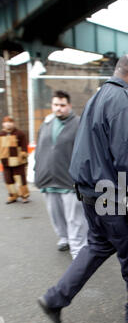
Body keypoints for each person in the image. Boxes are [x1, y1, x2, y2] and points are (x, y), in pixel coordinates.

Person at [37, 54, 128, 323]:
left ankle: (55, 298)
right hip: (119, 197)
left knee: (96, 247)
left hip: (92, 194)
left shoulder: (96, 99)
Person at [34, 90, 88, 259]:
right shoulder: (47, 123)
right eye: (56, 105)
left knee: (75, 218)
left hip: (69, 180)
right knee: (56, 215)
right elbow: (39, 149)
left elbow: (85, 151)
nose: (59, 108)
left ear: (69, 106)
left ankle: (79, 248)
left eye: (62, 105)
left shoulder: (79, 124)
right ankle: (64, 238)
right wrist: (38, 170)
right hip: (48, 179)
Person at [0, 116, 30, 204]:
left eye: (10, 122)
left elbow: (24, 145)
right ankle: (12, 195)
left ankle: (24, 195)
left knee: (20, 179)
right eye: (6, 122)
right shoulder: (1, 134)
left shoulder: (20, 133)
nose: (8, 124)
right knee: (8, 180)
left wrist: (24, 154)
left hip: (18, 161)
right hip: (5, 161)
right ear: (3, 124)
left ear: (13, 123)